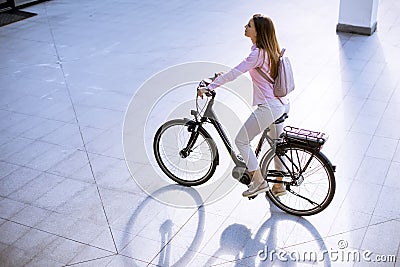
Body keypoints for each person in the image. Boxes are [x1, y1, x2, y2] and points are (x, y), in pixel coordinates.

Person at [198, 14, 290, 198]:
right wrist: (221, 76)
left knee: (241, 141)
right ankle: (279, 186)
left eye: (249, 25)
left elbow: (235, 74)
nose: (245, 27)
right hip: (282, 104)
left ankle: (259, 182)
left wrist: (210, 87)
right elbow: (240, 72)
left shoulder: (256, 54)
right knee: (277, 146)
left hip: (269, 107)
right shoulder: (270, 50)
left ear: (258, 31)